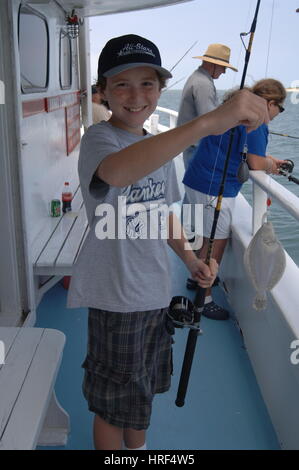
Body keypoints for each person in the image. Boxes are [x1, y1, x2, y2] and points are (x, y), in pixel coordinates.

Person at [67, 33, 269, 451]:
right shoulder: (100, 140)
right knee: (110, 403)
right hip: (116, 298)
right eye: (121, 83)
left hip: (156, 292)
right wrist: (209, 122)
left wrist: (192, 259)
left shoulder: (155, 148)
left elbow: (162, 214)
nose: (136, 95)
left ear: (160, 91)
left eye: (148, 83)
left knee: (142, 392)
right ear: (102, 92)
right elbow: (118, 173)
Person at [183, 78, 286, 320]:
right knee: (215, 241)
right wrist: (271, 165)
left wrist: (268, 159)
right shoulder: (258, 121)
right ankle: (203, 299)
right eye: (280, 109)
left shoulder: (236, 109)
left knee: (205, 234)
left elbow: (244, 148)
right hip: (213, 185)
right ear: (270, 103)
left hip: (197, 177)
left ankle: (195, 278)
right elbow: (256, 163)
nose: (279, 114)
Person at [177, 43, 238, 171]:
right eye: (223, 67)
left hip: (191, 144)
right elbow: (210, 120)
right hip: (197, 148)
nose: (225, 72)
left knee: (191, 189)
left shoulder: (197, 77)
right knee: (197, 190)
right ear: (212, 64)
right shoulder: (203, 84)